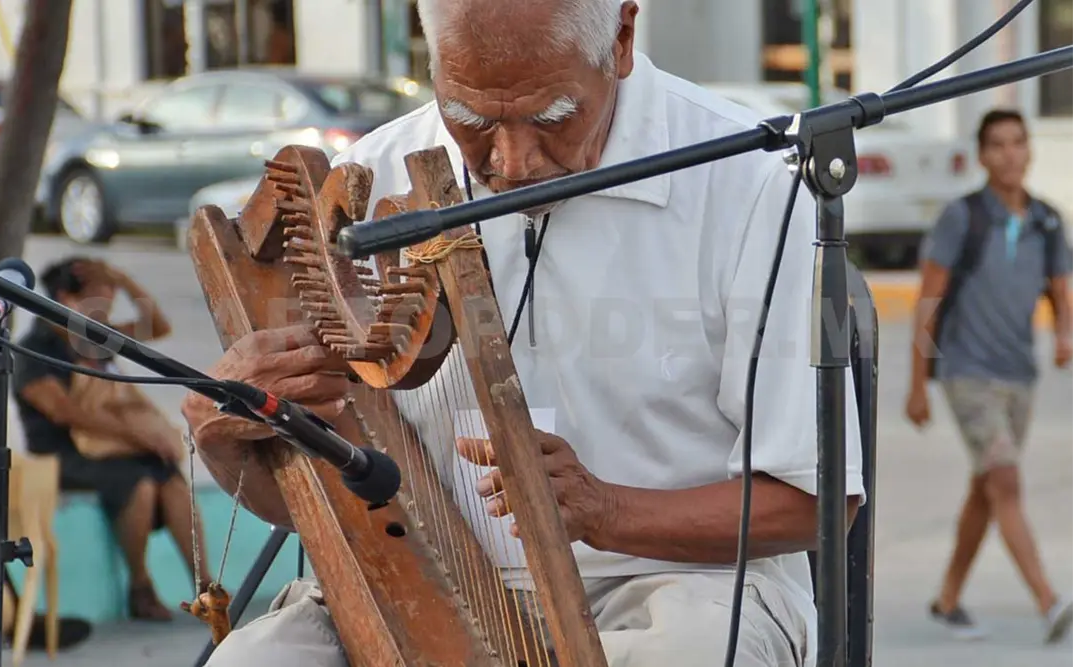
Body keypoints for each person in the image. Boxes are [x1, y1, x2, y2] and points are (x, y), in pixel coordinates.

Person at [183, 0, 865, 665]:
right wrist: (229, 441)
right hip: (420, 587)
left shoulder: (746, 180)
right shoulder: (366, 185)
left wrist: (605, 510)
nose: (510, 161)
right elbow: (318, 505)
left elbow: (815, 501)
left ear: (621, 39)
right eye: (469, 118)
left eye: (552, 116)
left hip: (676, 585)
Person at [906, 108, 1073, 643]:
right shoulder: (963, 217)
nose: (1009, 154)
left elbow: (1061, 288)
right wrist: (917, 383)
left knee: (987, 487)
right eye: (997, 144)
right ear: (981, 155)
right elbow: (928, 301)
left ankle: (948, 598)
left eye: (1018, 143)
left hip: (1019, 375)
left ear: (1030, 151)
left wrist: (1066, 332)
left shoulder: (1047, 220)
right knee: (1005, 479)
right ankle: (1049, 600)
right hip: (967, 372)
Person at [12, 257, 213, 622]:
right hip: (61, 457)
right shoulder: (36, 347)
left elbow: (157, 326)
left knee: (171, 481)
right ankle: (140, 587)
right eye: (98, 297)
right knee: (138, 485)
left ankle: (206, 589)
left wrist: (123, 278)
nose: (106, 306)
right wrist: (139, 436)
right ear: (66, 298)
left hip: (116, 449)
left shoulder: (91, 336)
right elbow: (65, 413)